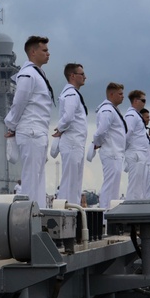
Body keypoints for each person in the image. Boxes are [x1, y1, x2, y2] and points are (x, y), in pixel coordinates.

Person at [4, 36, 54, 203]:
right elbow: (19, 102)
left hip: (38, 131)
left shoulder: (37, 73)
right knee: (32, 180)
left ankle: (38, 217)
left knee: (38, 180)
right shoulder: (27, 74)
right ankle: (29, 221)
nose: (48, 53)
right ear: (33, 52)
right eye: (44, 50)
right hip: (31, 131)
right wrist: (11, 126)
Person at [53, 63, 88, 204]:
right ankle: (66, 212)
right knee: (70, 182)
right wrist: (60, 129)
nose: (85, 77)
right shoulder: (71, 94)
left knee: (75, 182)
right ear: (72, 76)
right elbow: (68, 117)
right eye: (82, 74)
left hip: (76, 142)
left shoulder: (73, 94)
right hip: (72, 141)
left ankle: (73, 211)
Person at [92, 82, 126, 205]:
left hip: (115, 152)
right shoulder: (107, 110)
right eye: (120, 94)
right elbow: (101, 131)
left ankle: (109, 214)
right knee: (110, 186)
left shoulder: (113, 110)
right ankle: (104, 217)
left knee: (113, 188)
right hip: (111, 152)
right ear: (111, 94)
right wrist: (97, 143)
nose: (123, 96)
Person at [123, 90, 148, 200]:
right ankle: (131, 210)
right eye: (143, 100)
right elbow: (127, 134)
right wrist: (127, 151)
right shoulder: (131, 115)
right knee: (134, 186)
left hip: (139, 153)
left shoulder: (136, 115)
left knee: (139, 185)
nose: (144, 103)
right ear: (136, 101)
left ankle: (137, 209)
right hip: (135, 153)